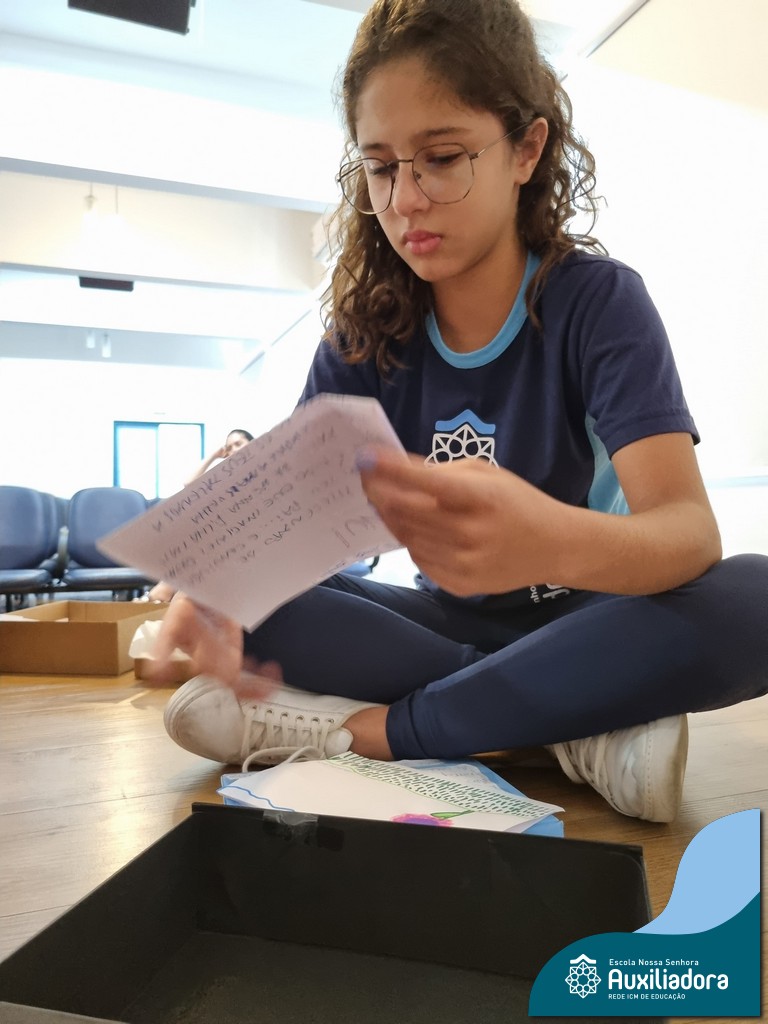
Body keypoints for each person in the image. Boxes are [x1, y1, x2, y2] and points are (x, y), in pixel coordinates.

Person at [146, 0, 768, 822]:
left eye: (441, 159)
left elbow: (688, 535)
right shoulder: (362, 337)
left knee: (755, 597)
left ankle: (377, 730)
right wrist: (216, 573)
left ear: (526, 149)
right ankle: (575, 725)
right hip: (444, 625)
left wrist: (547, 540)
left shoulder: (599, 303)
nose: (405, 200)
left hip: (595, 614)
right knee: (259, 605)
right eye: (379, 168)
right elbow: (282, 534)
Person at [143, 429, 254, 602]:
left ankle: (157, 597)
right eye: (229, 448)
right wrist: (214, 455)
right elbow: (189, 483)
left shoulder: (262, 469)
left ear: (252, 444)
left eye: (238, 444)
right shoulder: (226, 477)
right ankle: (160, 596)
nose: (233, 450)